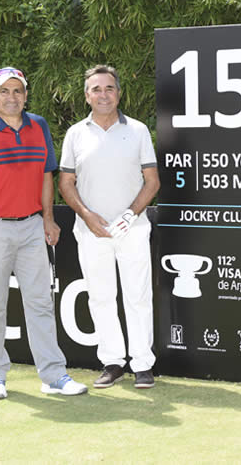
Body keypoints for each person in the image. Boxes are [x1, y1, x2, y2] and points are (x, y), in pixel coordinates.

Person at [0, 66, 88, 399]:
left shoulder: (38, 126)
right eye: (4, 91)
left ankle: (53, 375)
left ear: (25, 96)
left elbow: (45, 176)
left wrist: (48, 219)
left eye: (17, 91)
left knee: (40, 303)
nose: (11, 97)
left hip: (30, 227)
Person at [58, 65, 160, 389]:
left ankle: (143, 364)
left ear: (119, 93)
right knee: (101, 297)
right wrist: (87, 215)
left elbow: (152, 181)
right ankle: (112, 362)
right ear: (87, 95)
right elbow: (66, 183)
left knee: (138, 297)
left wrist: (129, 215)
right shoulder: (76, 134)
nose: (103, 95)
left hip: (133, 229)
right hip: (91, 231)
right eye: (96, 89)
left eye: (109, 88)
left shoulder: (138, 130)